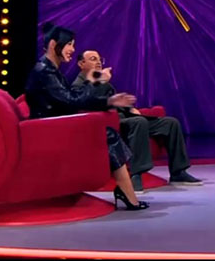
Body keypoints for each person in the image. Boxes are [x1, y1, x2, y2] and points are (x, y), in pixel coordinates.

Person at [24, 22, 148, 211]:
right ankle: (127, 193)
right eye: (69, 44)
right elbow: (73, 101)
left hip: (56, 127)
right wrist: (92, 81)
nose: (73, 50)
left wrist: (110, 101)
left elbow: (71, 99)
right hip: (48, 132)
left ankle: (127, 191)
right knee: (108, 135)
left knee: (107, 133)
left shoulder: (51, 70)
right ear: (53, 44)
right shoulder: (44, 72)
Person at [73, 50, 201, 192]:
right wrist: (101, 81)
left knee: (170, 123)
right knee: (139, 122)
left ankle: (178, 172)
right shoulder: (78, 85)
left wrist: (129, 108)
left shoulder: (104, 82)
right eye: (93, 59)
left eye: (99, 59)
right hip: (107, 125)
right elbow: (88, 102)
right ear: (81, 64)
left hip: (123, 118)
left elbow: (115, 101)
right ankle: (136, 175)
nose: (98, 62)